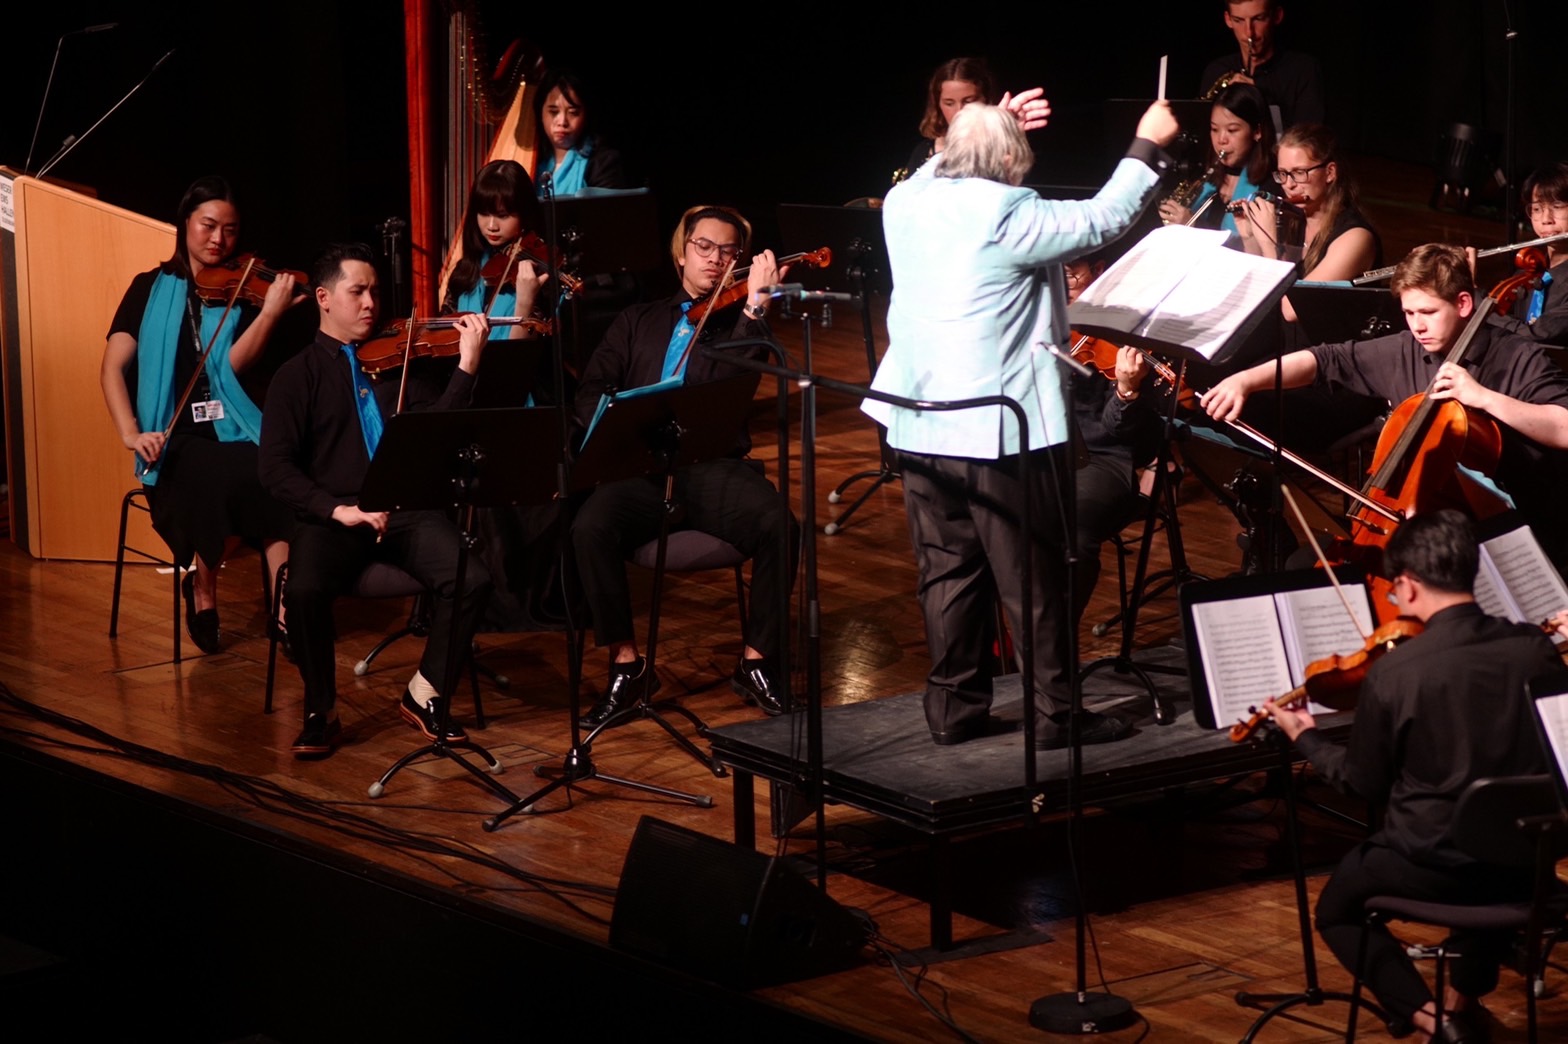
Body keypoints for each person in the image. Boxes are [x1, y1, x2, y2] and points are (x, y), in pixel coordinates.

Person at [864, 95, 1178, 749]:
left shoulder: (906, 201)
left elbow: (932, 167)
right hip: (998, 432)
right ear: (1011, 162)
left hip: (919, 424)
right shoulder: (1008, 212)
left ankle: (953, 709)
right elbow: (1104, 218)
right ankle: (1056, 717)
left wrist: (984, 123)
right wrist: (1147, 143)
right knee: (1033, 577)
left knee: (947, 574)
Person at [1261, 510, 1561, 1042]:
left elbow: (1363, 784)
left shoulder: (1397, 672)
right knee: (1492, 862)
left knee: (1336, 911)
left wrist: (1305, 737)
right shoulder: (1536, 650)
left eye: (1393, 589)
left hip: (1432, 863)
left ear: (1409, 585)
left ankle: (1433, 1020)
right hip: (1525, 859)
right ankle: (1461, 1004)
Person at [258, 243, 494, 758]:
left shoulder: (398, 363)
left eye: (375, 292)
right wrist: (336, 509)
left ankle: (425, 691)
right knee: (303, 590)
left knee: (472, 577)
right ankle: (322, 709)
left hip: (404, 508)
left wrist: (467, 366)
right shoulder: (296, 376)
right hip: (334, 515)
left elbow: (438, 438)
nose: (371, 303)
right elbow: (274, 468)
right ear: (324, 298)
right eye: (357, 292)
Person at [1203, 242, 1568, 570]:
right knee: (1305, 567)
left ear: (1463, 304)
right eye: (1409, 313)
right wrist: (1246, 380)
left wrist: (1485, 398)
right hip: (1422, 526)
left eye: (1427, 312)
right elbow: (1324, 360)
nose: (1417, 326)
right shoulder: (1406, 349)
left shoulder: (1517, 356)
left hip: (1505, 530)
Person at [569, 205, 799, 725]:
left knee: (780, 527)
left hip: (711, 464)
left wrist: (755, 310)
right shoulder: (637, 320)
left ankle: (756, 661)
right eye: (704, 247)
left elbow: (730, 391)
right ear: (681, 252)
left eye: (728, 252)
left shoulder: (742, 324)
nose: (715, 259)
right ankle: (627, 665)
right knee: (589, 527)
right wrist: (612, 421)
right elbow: (592, 388)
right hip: (641, 466)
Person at [101, 175, 300, 655]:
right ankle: (203, 588)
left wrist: (270, 314)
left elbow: (232, 367)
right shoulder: (147, 289)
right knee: (214, 473)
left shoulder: (243, 290)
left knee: (279, 473)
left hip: (235, 423)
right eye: (208, 225)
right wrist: (131, 434)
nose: (218, 239)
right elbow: (111, 369)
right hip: (175, 437)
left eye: (230, 230)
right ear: (185, 222)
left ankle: (285, 611)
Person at [1063, 258, 1164, 622]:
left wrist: (1126, 389)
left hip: (1100, 457)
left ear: (1099, 268)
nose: (1062, 278)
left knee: (1072, 530)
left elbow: (1116, 431)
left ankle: (1056, 640)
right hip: (1031, 446)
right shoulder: (1031, 312)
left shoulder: (1125, 326)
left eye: (1072, 271)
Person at [1234, 122, 1380, 323]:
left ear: (1330, 172)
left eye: (1299, 173)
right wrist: (1249, 235)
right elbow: (1260, 291)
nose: (1289, 184)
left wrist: (1269, 243)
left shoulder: (1355, 238)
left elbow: (1292, 309)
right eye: (1283, 174)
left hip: (1327, 341)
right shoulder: (1292, 221)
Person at [1158, 82, 1274, 242]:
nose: (1221, 140)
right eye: (1214, 129)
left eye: (1232, 130)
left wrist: (1194, 225)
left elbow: (1253, 248)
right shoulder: (1205, 176)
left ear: (1257, 132)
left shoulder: (1270, 187)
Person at [1197, 0, 1324, 132]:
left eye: (1259, 18)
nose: (1249, 33)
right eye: (1238, 20)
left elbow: (1310, 138)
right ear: (1228, 20)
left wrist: (1261, 96)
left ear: (1277, 16)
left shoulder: (1303, 69)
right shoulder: (1216, 70)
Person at [901, 56, 999, 179]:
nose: (959, 111)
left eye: (969, 101)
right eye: (949, 103)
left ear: (987, 99)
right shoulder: (924, 151)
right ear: (938, 104)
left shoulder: (1003, 147)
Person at [533, 70, 628, 196]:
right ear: (540, 113)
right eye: (554, 112)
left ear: (586, 115)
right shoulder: (534, 162)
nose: (562, 122)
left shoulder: (603, 162)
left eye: (573, 113)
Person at [1506, 162, 1568, 347]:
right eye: (1537, 209)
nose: (1546, 219)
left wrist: (1476, 298)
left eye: (1557, 206)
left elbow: (1534, 335)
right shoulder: (1527, 274)